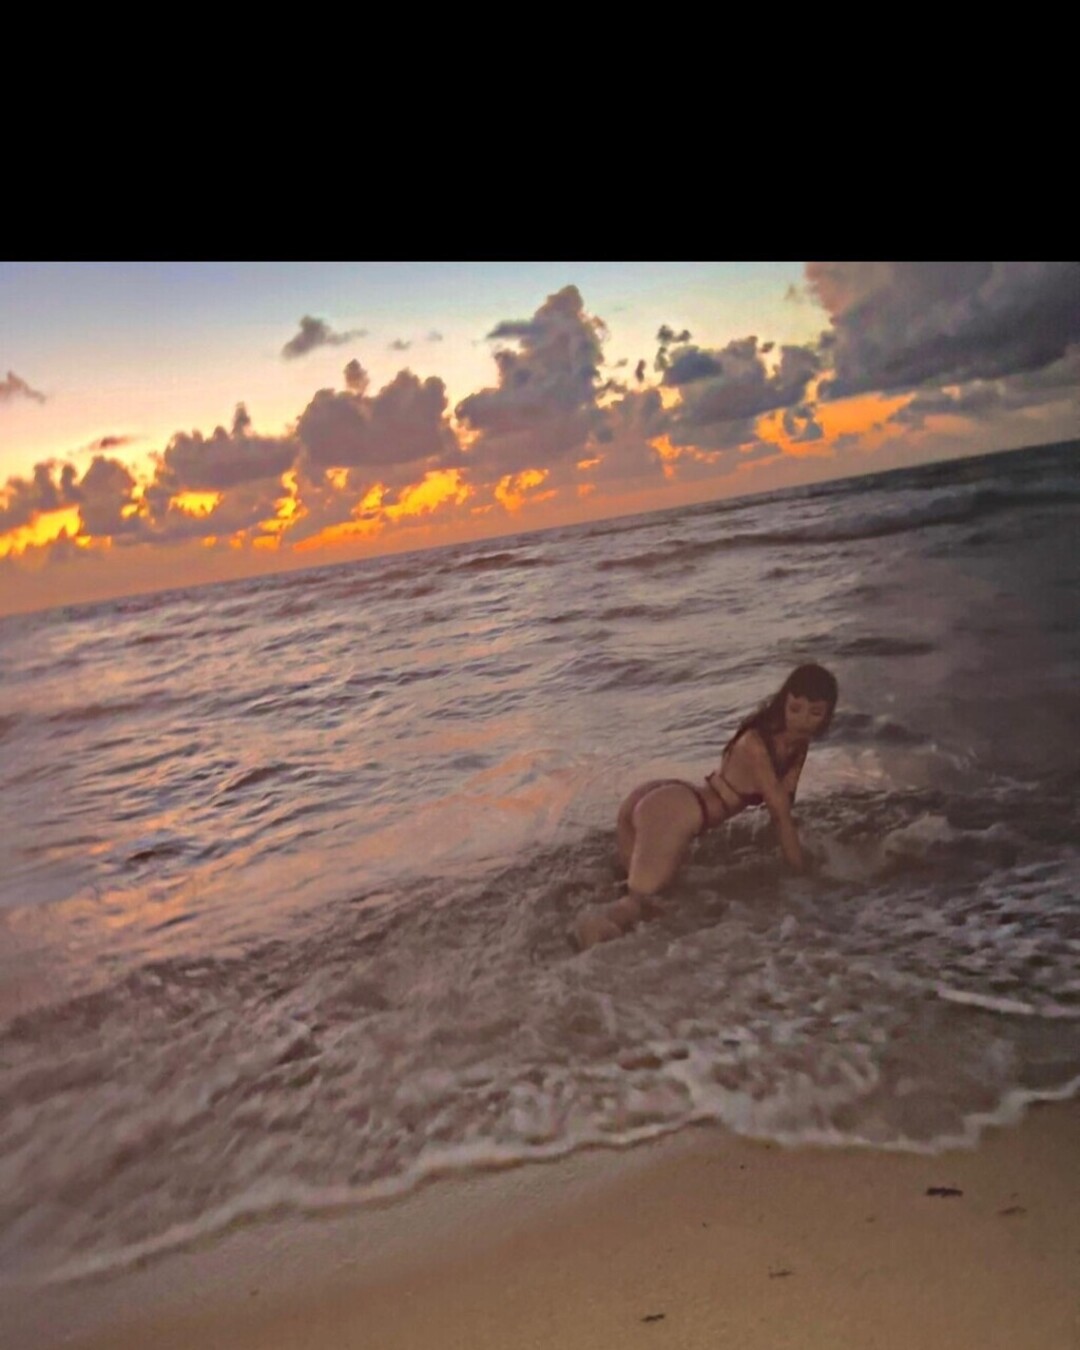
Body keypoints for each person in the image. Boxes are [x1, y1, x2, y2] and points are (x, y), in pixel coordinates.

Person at [572, 663, 839, 950]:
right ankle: (590, 933)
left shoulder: (797, 745)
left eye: (814, 713)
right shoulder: (756, 743)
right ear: (783, 703)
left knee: (651, 901)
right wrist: (802, 879)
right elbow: (780, 815)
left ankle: (591, 923)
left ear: (827, 716)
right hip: (676, 808)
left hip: (669, 799)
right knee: (638, 900)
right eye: (795, 709)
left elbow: (785, 801)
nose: (802, 720)